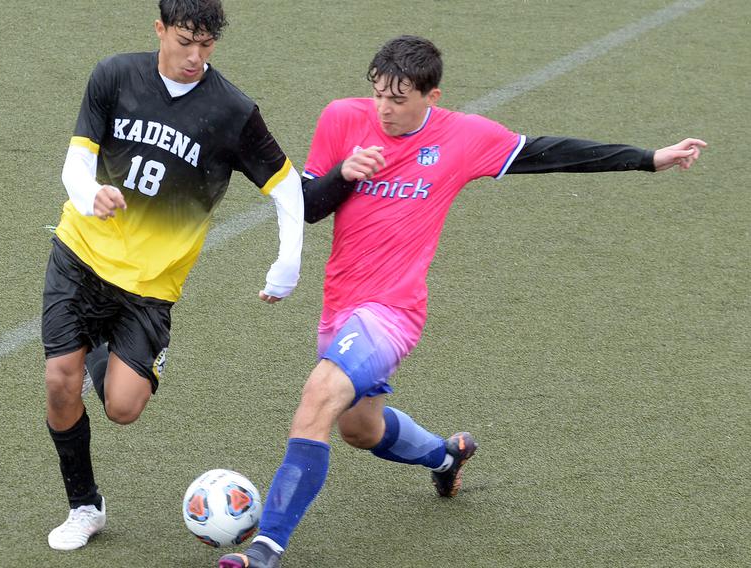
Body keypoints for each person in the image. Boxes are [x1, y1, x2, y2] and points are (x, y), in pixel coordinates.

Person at [219, 35, 705, 567]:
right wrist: (345, 173)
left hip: (393, 313)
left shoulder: (463, 137)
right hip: (340, 307)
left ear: (432, 95)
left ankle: (266, 547)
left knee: (317, 396)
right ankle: (446, 456)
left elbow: (550, 153)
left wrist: (647, 159)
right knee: (359, 429)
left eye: (399, 99)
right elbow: (309, 207)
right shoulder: (341, 118)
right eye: (379, 93)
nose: (385, 108)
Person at [42, 0, 304, 551]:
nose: (195, 56)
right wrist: (90, 196)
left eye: (207, 46)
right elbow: (75, 161)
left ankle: (104, 346)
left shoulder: (232, 110)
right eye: (185, 41)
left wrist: (289, 260)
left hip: (151, 286)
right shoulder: (115, 75)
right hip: (81, 254)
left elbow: (286, 187)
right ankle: (85, 505)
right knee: (59, 380)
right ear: (160, 28)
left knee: (122, 408)